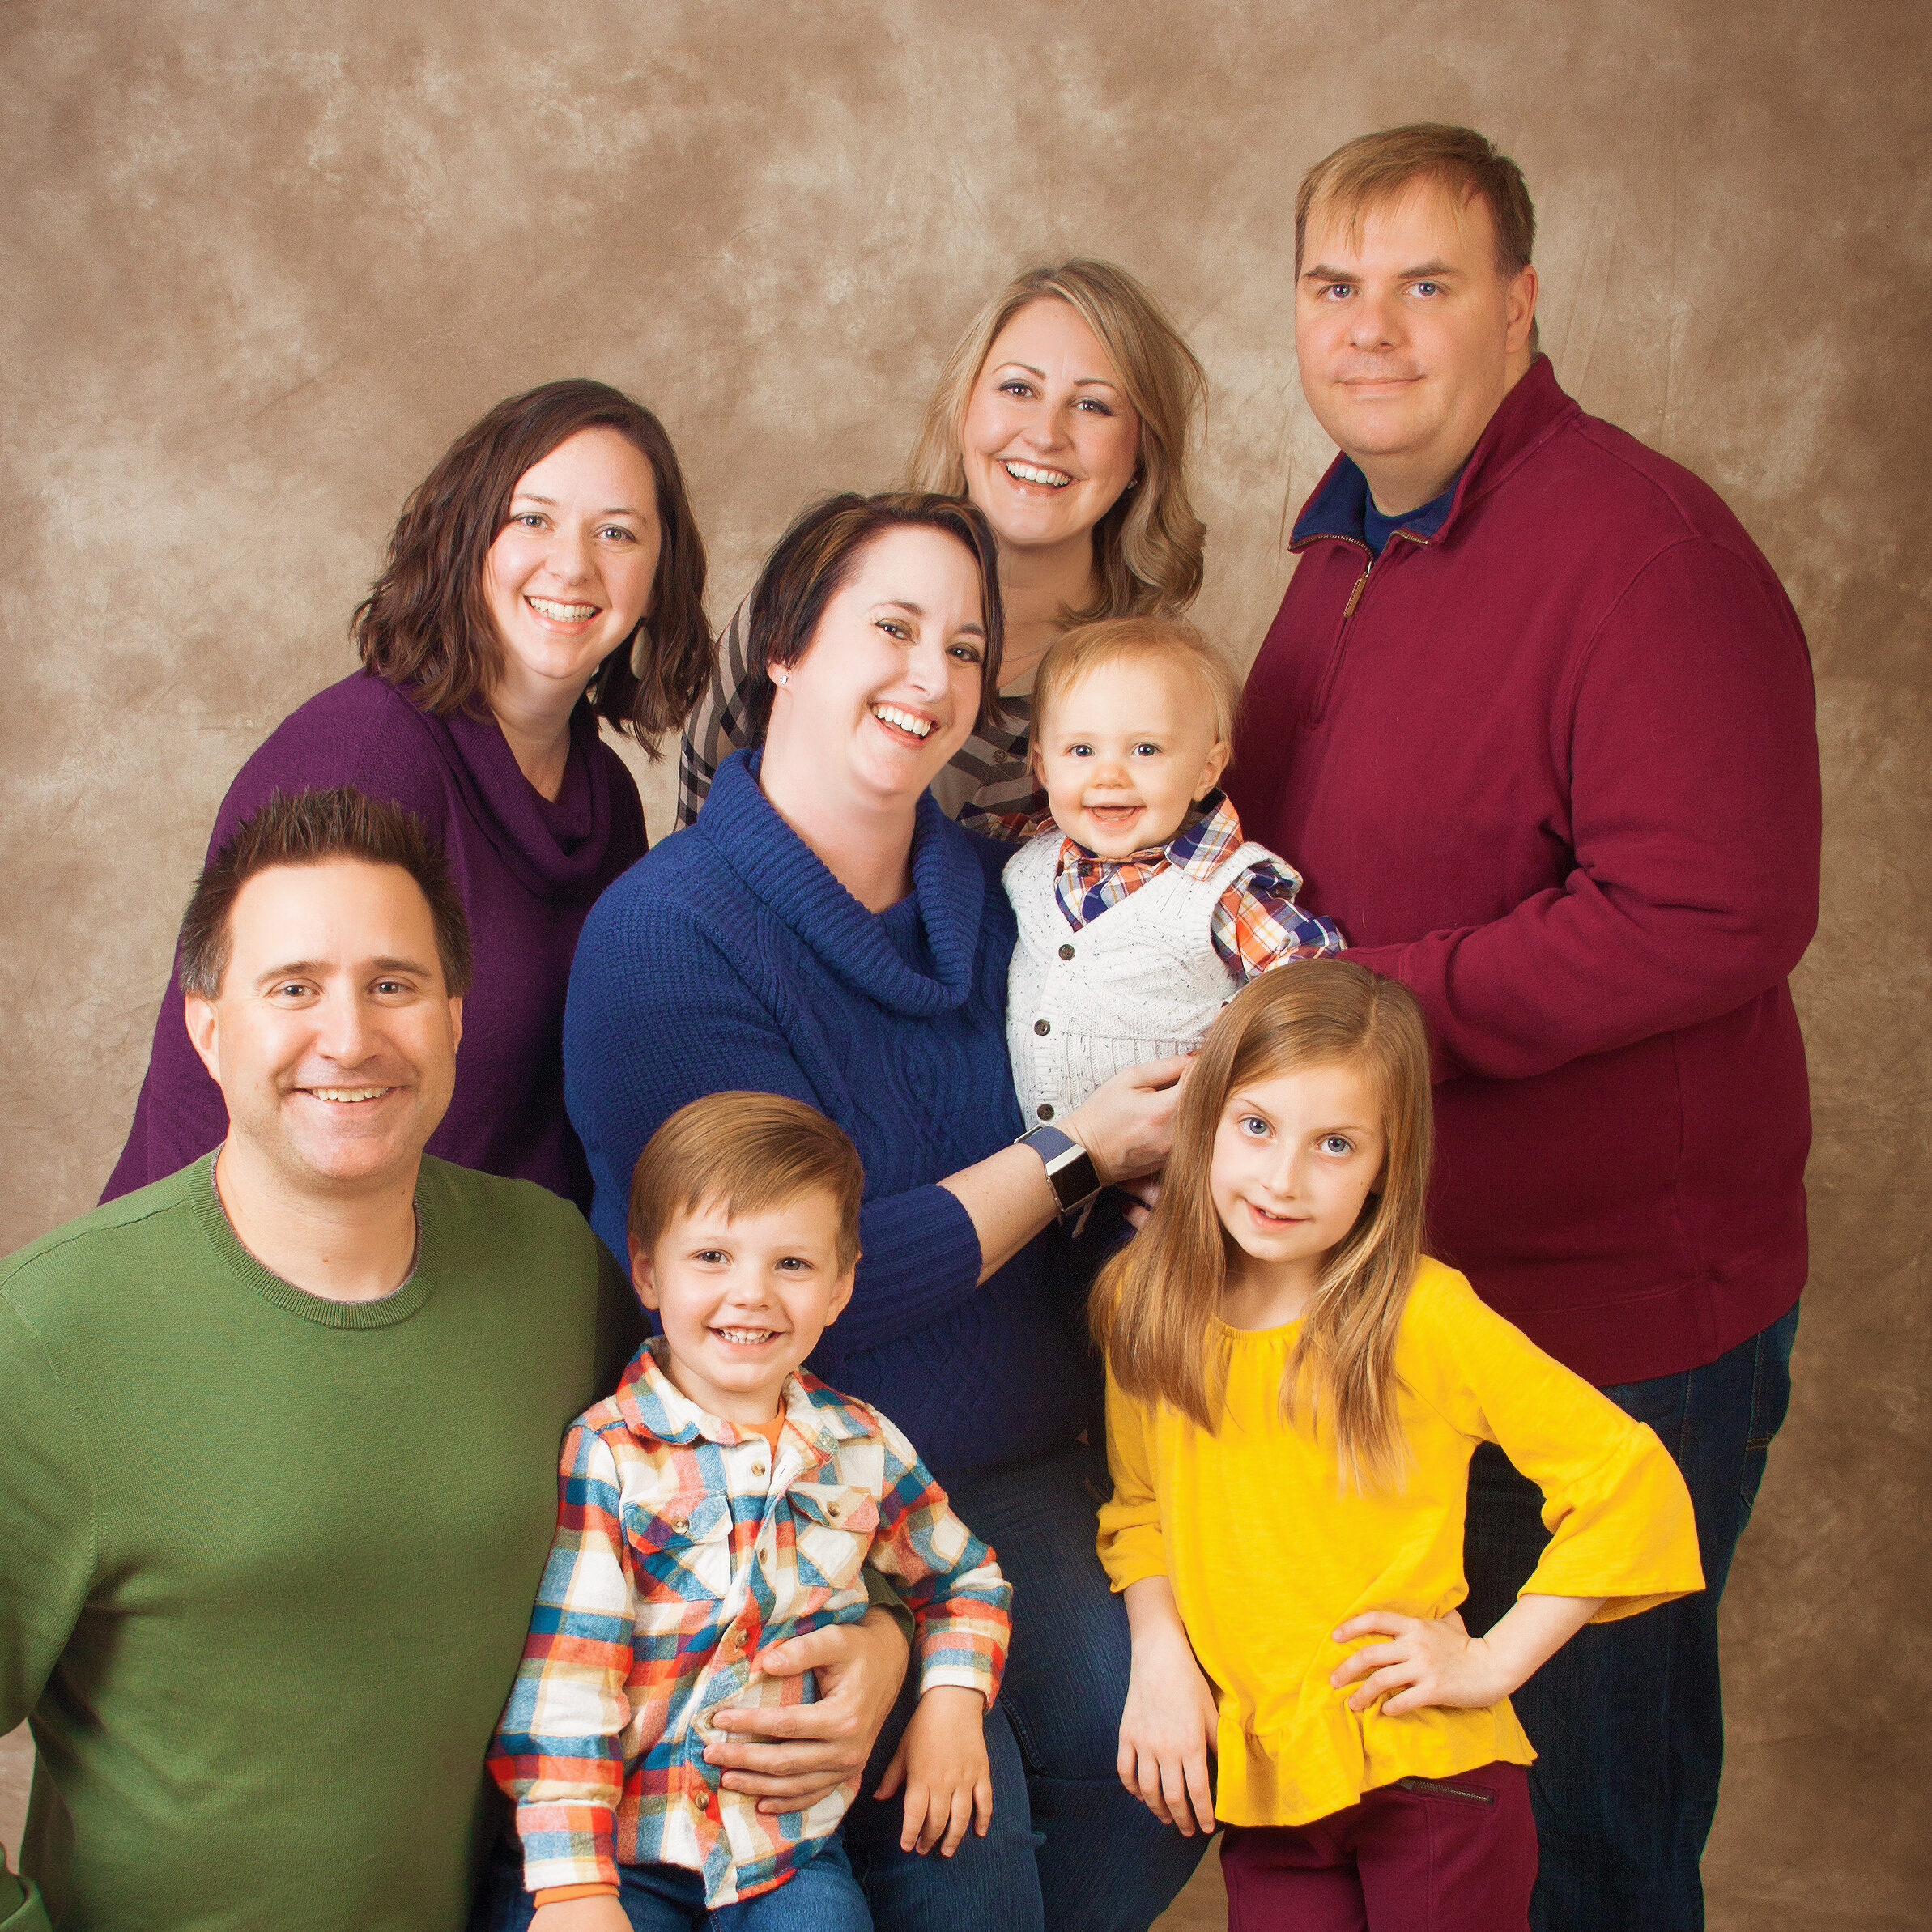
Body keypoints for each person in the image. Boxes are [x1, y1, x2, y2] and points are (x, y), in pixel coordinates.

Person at [1226, 124, 1820, 1929]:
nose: (1371, 328)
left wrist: (1366, 1007)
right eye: (1335, 285)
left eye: (1426, 284)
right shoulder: (1342, 546)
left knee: (1582, 1847)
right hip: (1392, 1314)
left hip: (1605, 1327)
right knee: (1436, 1837)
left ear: (1519, 306)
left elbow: (1713, 909)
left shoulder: (1639, 548)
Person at [564, 492, 1208, 1931]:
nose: (930, 676)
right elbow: (805, 1284)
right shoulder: (663, 937)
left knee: (1158, 1769)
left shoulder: (1010, 892)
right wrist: (1075, 1153)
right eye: (893, 629)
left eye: (964, 647)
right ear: (786, 648)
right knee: (967, 1846)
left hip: (1025, 1463)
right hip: (790, 1486)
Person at [0, 787, 649, 1930]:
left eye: (392, 984)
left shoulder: (553, 1271)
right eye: (293, 987)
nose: (349, 1037)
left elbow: (729, 1470)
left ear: (455, 1016)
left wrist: (879, 1641)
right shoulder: (50, 1331)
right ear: (208, 1028)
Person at [1094, 962, 1704, 1930]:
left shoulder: (1423, 1316)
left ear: (1386, 1163)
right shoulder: (1145, 1301)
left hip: (1430, 1778)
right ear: (1203, 1119)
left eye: (1334, 1144)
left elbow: (1628, 1482)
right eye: (1256, 1125)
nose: (1282, 1179)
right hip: (1273, 1792)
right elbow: (1141, 1511)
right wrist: (1159, 1658)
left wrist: (1493, 1662)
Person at [103, 377, 713, 1211]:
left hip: (499, 1265)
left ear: (659, 573)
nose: (573, 565)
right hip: (293, 1265)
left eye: (617, 532)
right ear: (466, 539)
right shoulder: (363, 757)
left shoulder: (603, 793)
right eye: (531, 520)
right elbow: (217, 1077)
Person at [481, 1092, 1011, 1932]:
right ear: (648, 1272)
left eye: (792, 1264)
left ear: (840, 1286)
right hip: (614, 1853)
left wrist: (951, 1698)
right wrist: (575, 1888)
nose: (752, 1294)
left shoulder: (860, 1444)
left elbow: (965, 1579)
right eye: (712, 1257)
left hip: (781, 1854)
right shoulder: (611, 1452)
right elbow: (568, 1684)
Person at [675, 259, 1206, 829]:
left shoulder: (1159, 685)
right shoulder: (823, 582)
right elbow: (697, 821)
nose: (1045, 435)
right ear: (964, 410)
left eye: (1092, 405)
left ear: (1142, 451)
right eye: (1018, 388)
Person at [997, 615, 1343, 1126]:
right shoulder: (1028, 858)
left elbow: (1313, 974)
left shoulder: (1221, 890)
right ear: (1044, 768)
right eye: (1082, 750)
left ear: (1206, 769)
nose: (1109, 775)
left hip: (1172, 1153)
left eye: (1146, 750)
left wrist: (1222, 1061)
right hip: (1035, 1153)